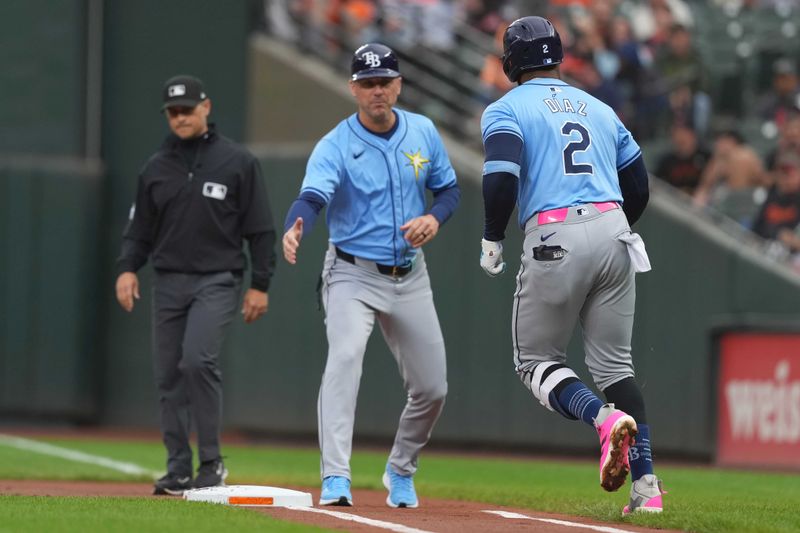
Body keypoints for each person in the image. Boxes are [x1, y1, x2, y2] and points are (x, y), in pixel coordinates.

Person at [478, 17, 664, 514]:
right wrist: (610, 229)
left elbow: (500, 177)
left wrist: (493, 236)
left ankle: (602, 420)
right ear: (558, 56)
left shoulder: (506, 107)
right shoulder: (599, 107)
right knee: (617, 367)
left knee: (535, 361)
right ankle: (647, 491)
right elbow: (640, 185)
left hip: (554, 233)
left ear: (510, 63)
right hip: (614, 227)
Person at [282, 43, 460, 509]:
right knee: (344, 360)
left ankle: (400, 470)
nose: (376, 90)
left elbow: (448, 189)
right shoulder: (335, 144)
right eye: (367, 83)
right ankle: (336, 476)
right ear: (353, 89)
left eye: (384, 81)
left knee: (433, 387)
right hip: (351, 274)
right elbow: (312, 197)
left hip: (410, 275)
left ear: (398, 85)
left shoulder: (422, 131)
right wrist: (296, 223)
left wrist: (436, 218)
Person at [115, 75, 277, 496]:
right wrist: (127, 268)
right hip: (168, 281)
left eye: (187, 109)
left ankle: (211, 462)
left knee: (197, 360)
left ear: (206, 107)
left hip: (218, 278)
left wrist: (260, 284)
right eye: (173, 112)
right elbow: (139, 231)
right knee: (169, 373)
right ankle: (178, 469)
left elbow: (260, 230)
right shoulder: (155, 168)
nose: (181, 117)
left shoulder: (237, 162)